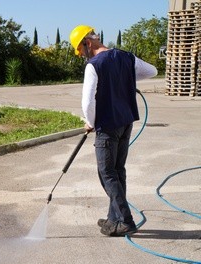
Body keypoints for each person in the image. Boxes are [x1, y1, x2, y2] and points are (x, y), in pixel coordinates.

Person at [69, 25, 157, 236]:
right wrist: (125, 79)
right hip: (126, 123)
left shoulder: (94, 64)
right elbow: (152, 71)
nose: (82, 56)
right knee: (118, 171)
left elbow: (87, 102)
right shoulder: (126, 57)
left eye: (81, 51)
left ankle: (126, 220)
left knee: (107, 173)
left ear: (87, 43)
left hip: (107, 127)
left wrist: (90, 122)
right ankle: (113, 219)